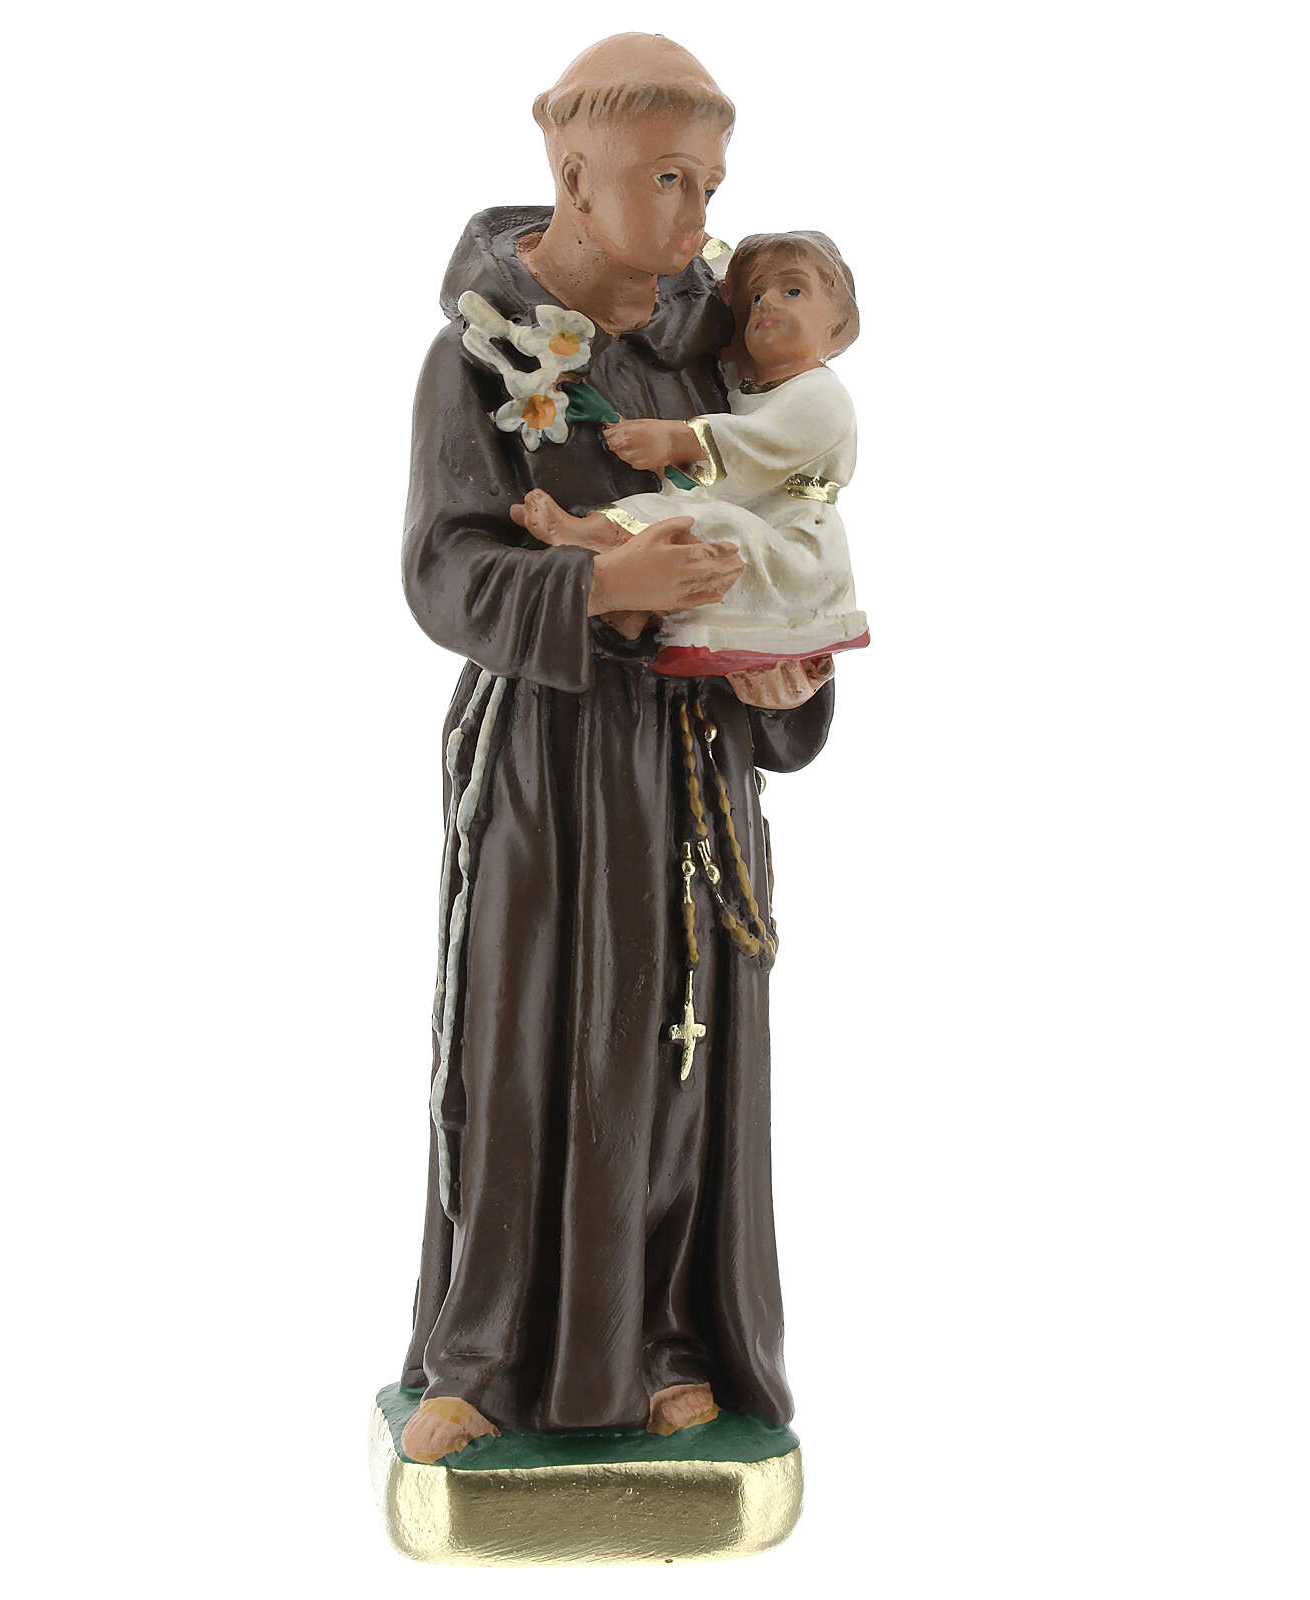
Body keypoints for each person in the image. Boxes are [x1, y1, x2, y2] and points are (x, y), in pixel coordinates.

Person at [398, 34, 837, 1465]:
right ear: (571, 171)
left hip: (689, 760)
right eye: (665, 178)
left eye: (708, 181)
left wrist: (783, 666)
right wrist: (597, 588)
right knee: (523, 1040)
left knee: (672, 1051)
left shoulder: (711, 359)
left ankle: (659, 1340)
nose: (698, 211)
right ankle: (483, 1354)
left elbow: (791, 528)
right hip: (548, 760)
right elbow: (444, 569)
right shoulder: (481, 356)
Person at [512, 230, 869, 676]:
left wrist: (678, 440)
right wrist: (705, 249)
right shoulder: (745, 384)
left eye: (792, 291)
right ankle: (589, 541)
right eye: (757, 299)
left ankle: (623, 580)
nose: (767, 304)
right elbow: (725, 287)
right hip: (754, 517)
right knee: (670, 509)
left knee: (712, 526)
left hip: (796, 544)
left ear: (835, 323)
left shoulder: (822, 393)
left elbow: (765, 440)